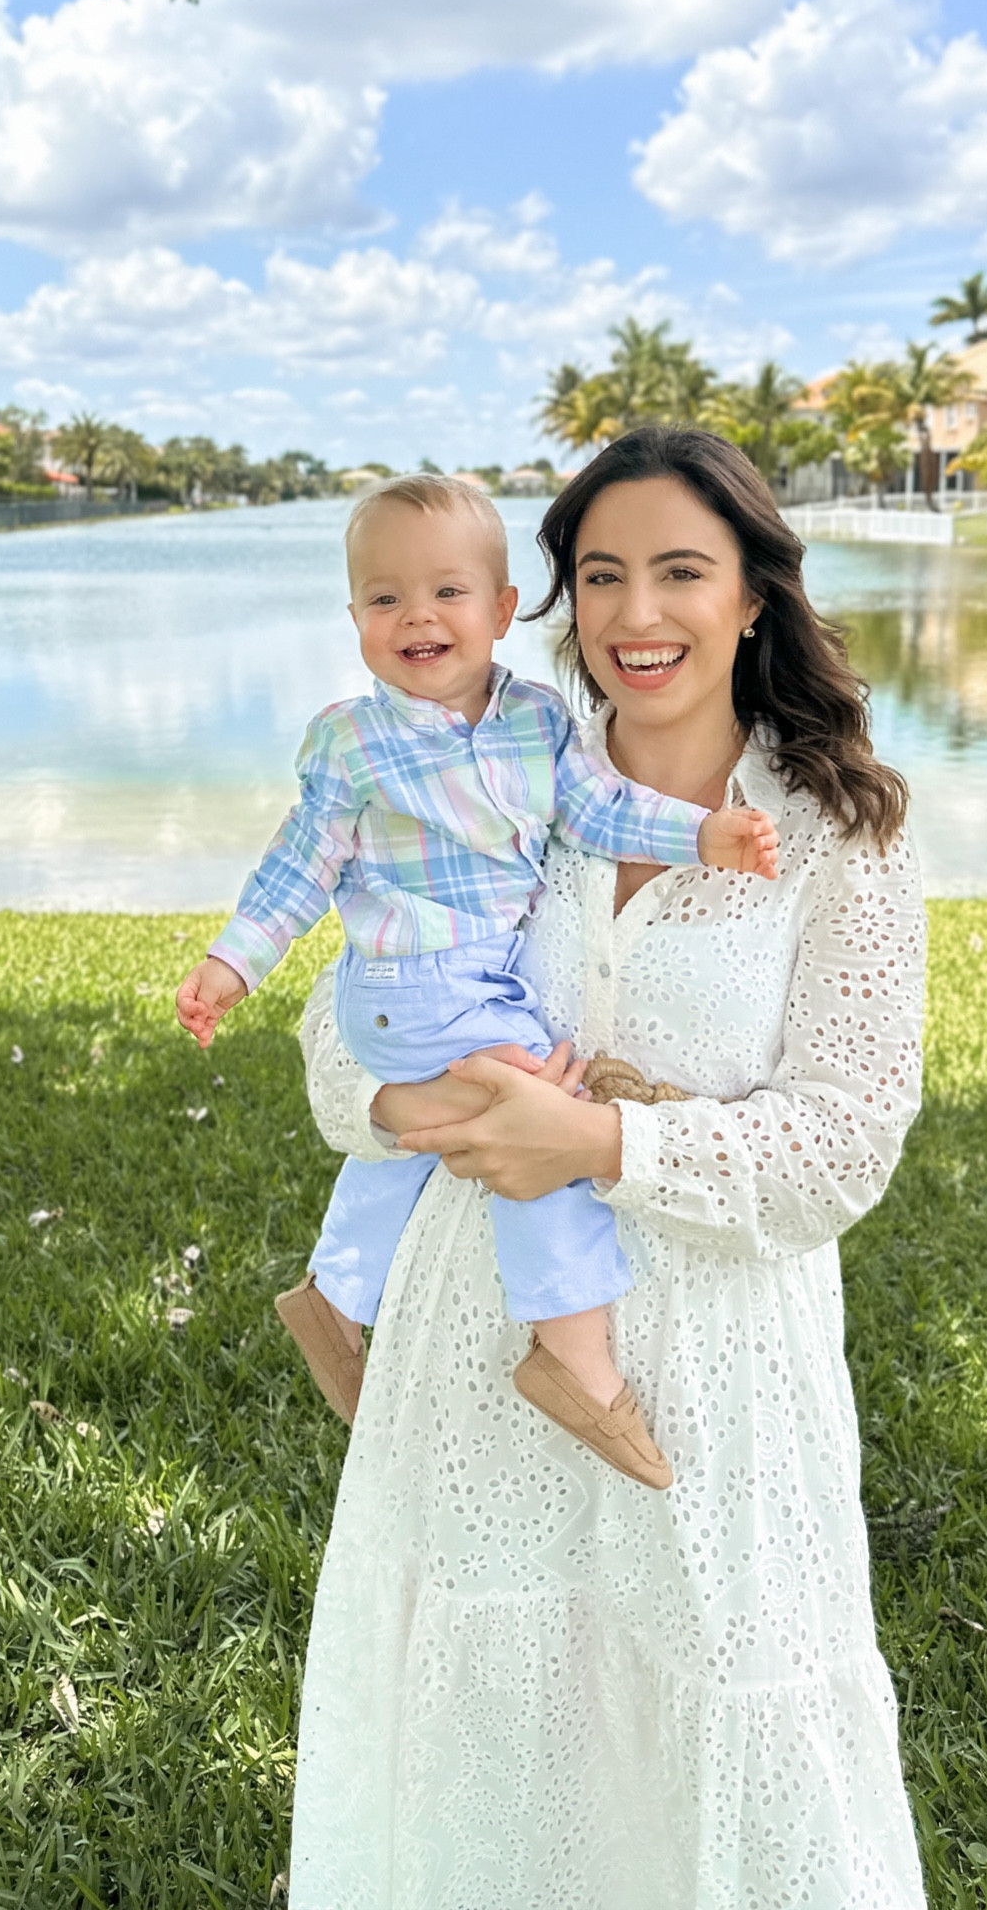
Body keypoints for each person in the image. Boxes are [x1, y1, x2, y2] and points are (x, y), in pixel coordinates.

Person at [285, 429, 930, 1908]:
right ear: (555, 599)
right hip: (478, 1340)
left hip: (716, 1372)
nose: (640, 616)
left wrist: (604, 1141)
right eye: (603, 575)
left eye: (683, 572)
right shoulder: (491, 768)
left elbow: (845, 1141)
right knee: (491, 1719)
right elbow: (339, 1041)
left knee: (717, 1717)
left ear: (756, 594)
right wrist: (421, 1105)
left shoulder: (844, 829)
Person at [176, 474, 780, 1488]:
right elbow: (297, 866)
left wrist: (704, 834)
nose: (417, 616)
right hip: (408, 981)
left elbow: (604, 812)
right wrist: (232, 963)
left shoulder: (537, 724)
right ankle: (577, 1359)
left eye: (449, 593)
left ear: (503, 611)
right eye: (384, 598)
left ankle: (336, 1292)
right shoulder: (353, 742)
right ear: (357, 618)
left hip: (474, 982)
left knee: (463, 1128)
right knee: (533, 1117)